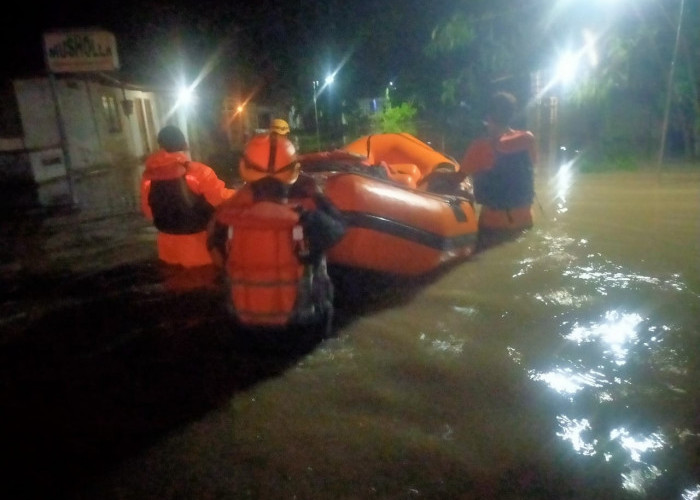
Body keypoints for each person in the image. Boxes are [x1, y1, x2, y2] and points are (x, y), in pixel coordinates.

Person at [208, 132, 346, 337]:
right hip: (301, 332)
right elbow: (339, 229)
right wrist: (315, 194)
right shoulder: (311, 218)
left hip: (244, 332)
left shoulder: (225, 220)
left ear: (244, 169)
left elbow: (216, 256)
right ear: (294, 172)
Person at [141, 125, 235, 268]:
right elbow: (220, 199)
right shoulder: (199, 172)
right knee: (203, 283)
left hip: (166, 247)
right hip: (198, 246)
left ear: (160, 145)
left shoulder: (149, 176)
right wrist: (242, 192)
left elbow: (149, 212)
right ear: (185, 145)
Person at [459, 91, 537, 249]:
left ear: (488, 117)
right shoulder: (528, 139)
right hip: (525, 224)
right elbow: (532, 165)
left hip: (494, 229)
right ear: (512, 115)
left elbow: (456, 179)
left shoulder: (479, 147)